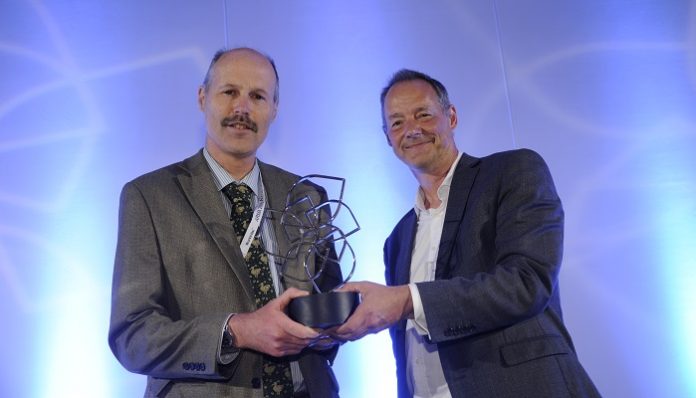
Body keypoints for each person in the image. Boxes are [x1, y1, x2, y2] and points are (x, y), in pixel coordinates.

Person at [333, 69, 601, 398]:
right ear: (388, 137)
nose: (412, 130)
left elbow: (527, 282)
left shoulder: (512, 171)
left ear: (452, 116)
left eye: (424, 115)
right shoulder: (397, 239)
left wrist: (407, 299)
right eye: (398, 122)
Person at [109, 47, 342, 398]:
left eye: (258, 96)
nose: (242, 109)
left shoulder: (307, 195)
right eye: (229, 92)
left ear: (274, 109)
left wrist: (342, 318)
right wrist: (236, 331)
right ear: (203, 98)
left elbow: (328, 307)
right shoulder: (150, 197)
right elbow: (133, 336)